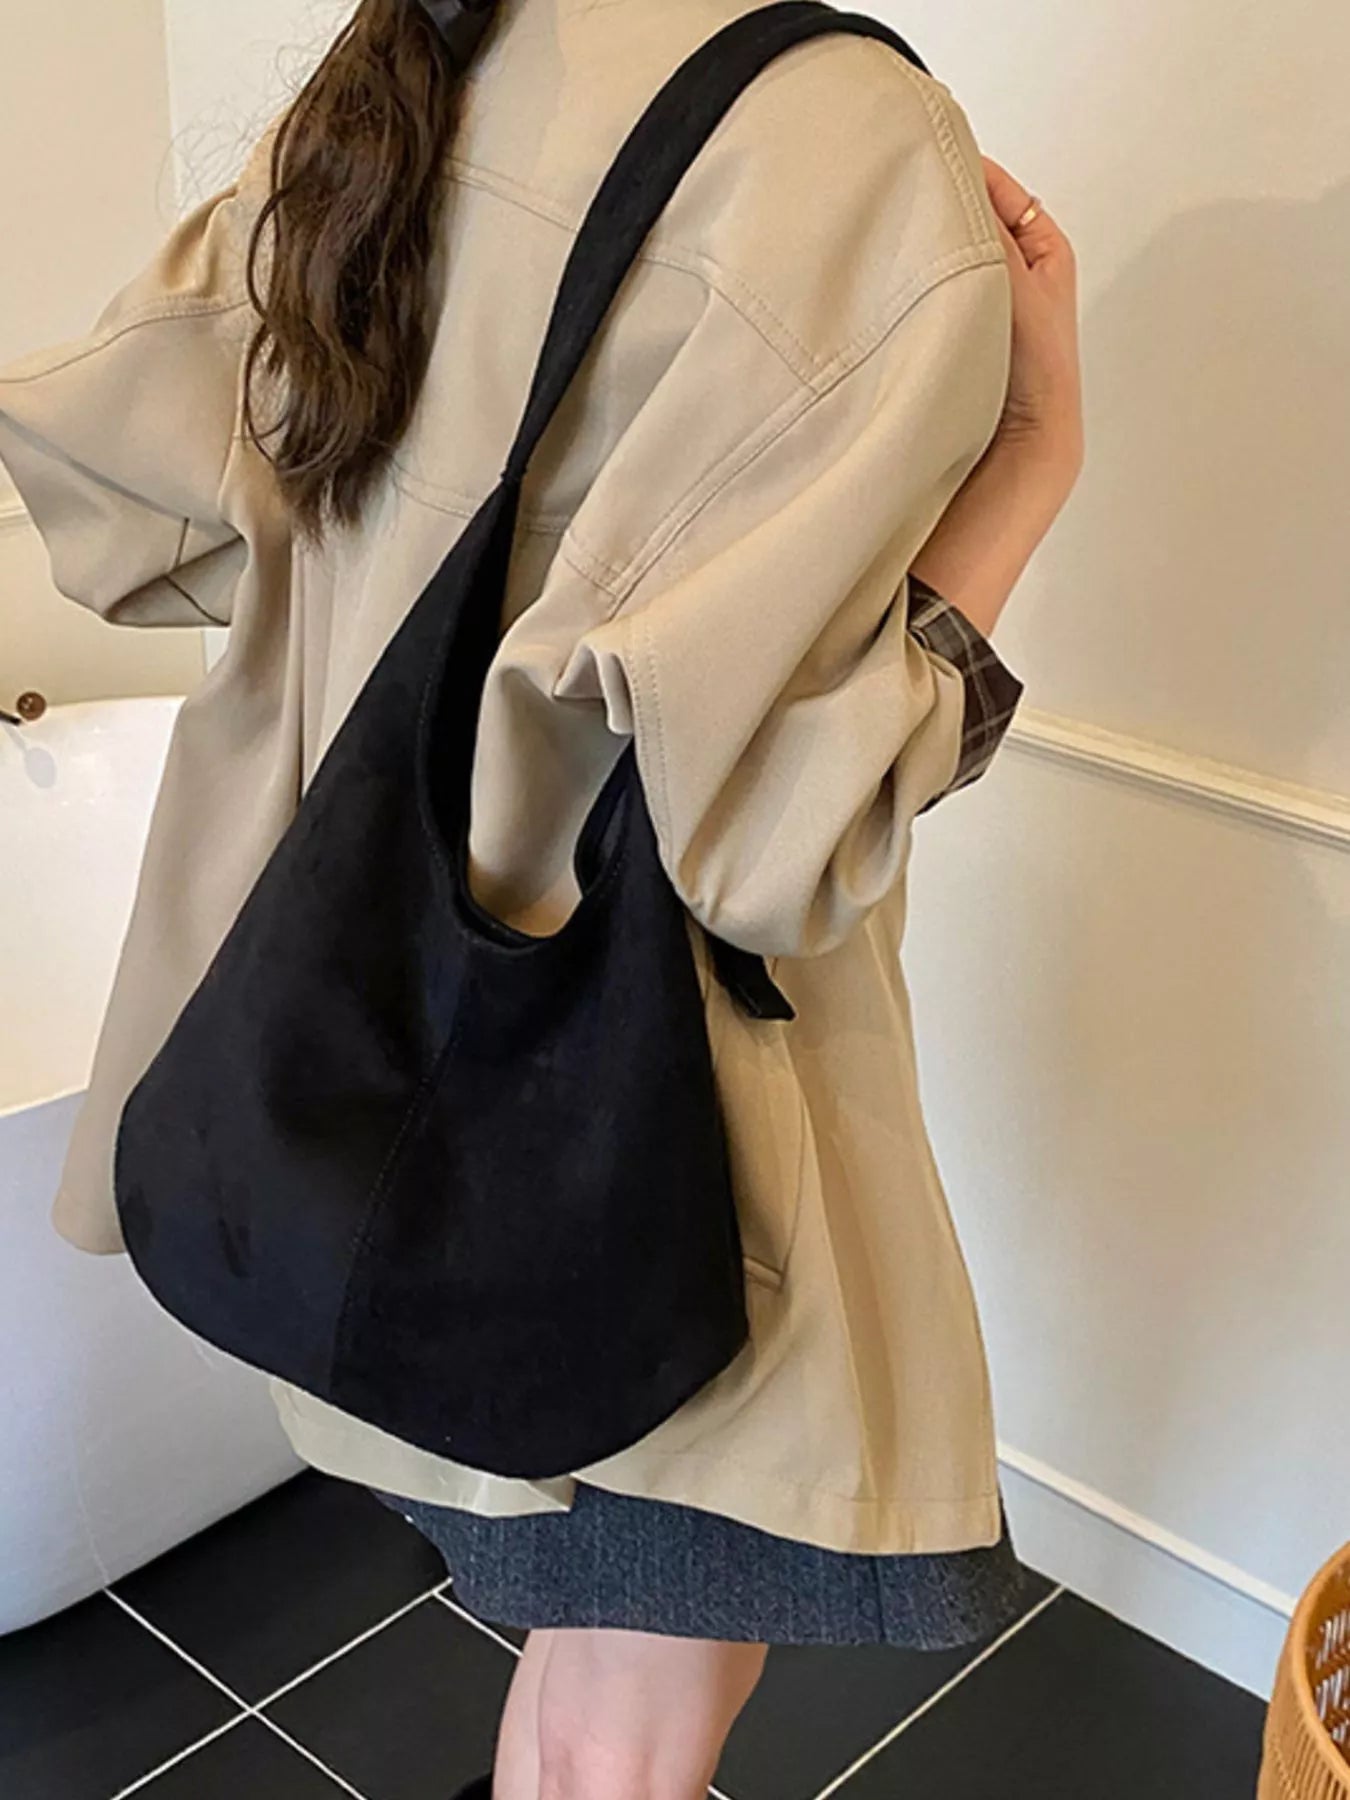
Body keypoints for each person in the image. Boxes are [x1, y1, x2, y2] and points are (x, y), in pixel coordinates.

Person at [0, 0, 1082, 1794]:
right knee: (626, 1733)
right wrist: (1033, 454)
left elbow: (137, 497)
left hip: (348, 1076)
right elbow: (772, 840)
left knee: (585, 1696)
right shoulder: (843, 142)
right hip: (647, 1137)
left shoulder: (428, 49)